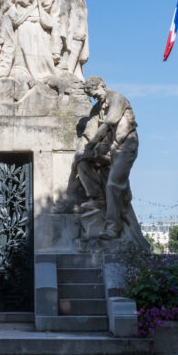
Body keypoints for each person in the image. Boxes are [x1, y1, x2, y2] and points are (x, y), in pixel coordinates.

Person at [67, 77, 145, 242]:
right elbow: (90, 130)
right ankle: (97, 198)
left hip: (125, 147)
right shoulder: (97, 108)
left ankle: (113, 229)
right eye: (90, 95)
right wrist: (85, 150)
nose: (94, 97)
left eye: (94, 93)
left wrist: (93, 144)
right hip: (107, 151)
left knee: (113, 185)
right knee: (81, 160)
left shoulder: (117, 99)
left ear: (102, 86)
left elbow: (108, 123)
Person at [4, 0, 62, 85]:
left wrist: (15, 18)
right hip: (43, 33)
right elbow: (55, 19)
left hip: (24, 26)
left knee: (20, 69)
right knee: (44, 75)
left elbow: (7, 2)